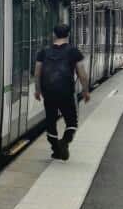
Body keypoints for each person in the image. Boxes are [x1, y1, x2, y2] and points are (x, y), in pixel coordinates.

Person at [34, 24, 90, 161]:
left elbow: (37, 73)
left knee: (50, 121)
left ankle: (55, 149)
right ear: (68, 35)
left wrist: (37, 90)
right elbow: (82, 74)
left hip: (49, 92)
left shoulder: (43, 52)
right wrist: (85, 90)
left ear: (54, 34)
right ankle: (64, 142)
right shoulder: (74, 52)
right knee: (72, 122)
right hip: (66, 92)